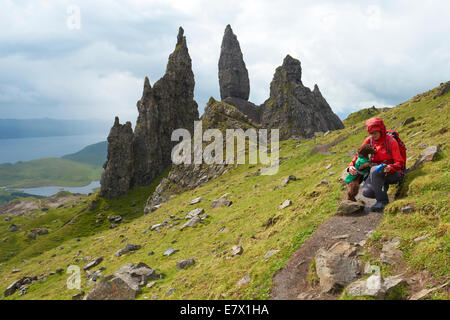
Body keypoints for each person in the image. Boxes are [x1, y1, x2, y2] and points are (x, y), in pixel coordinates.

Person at [347, 117, 405, 212]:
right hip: (377, 174)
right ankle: (382, 187)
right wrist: (350, 166)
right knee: (367, 192)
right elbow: (359, 154)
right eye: (370, 133)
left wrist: (391, 167)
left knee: (374, 169)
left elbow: (400, 162)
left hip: (393, 173)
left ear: (381, 130)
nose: (372, 136)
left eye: (375, 133)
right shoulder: (369, 141)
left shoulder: (391, 141)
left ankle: (382, 202)